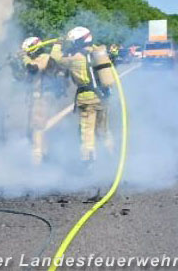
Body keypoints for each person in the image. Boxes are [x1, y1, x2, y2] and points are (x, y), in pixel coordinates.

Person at [50, 26, 112, 164]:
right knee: (103, 131)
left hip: (87, 98)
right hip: (103, 97)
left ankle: (87, 164)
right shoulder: (98, 53)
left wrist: (57, 44)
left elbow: (56, 58)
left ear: (77, 41)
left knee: (87, 133)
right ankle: (111, 157)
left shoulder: (75, 58)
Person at [19, 36, 56, 166]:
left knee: (37, 129)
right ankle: (44, 158)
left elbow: (33, 69)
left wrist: (24, 57)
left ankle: (37, 162)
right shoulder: (34, 59)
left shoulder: (44, 57)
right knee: (34, 129)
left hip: (41, 98)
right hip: (34, 99)